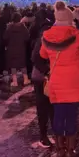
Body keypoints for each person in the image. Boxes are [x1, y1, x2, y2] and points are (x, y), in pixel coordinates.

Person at [40, 1, 79, 157]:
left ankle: (60, 149)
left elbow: (43, 54)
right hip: (73, 82)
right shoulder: (76, 35)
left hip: (57, 82)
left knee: (58, 115)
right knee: (71, 115)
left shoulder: (47, 35)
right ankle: (70, 151)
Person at [31, 15, 55, 148]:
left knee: (49, 107)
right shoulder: (44, 38)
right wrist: (47, 71)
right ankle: (44, 135)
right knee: (44, 107)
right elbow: (35, 57)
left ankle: (47, 135)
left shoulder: (44, 36)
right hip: (42, 77)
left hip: (47, 76)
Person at [4, 12, 31, 87]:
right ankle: (26, 79)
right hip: (21, 48)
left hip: (11, 48)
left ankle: (15, 81)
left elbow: (5, 38)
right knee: (23, 64)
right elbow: (27, 38)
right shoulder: (23, 27)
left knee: (13, 65)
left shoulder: (9, 27)